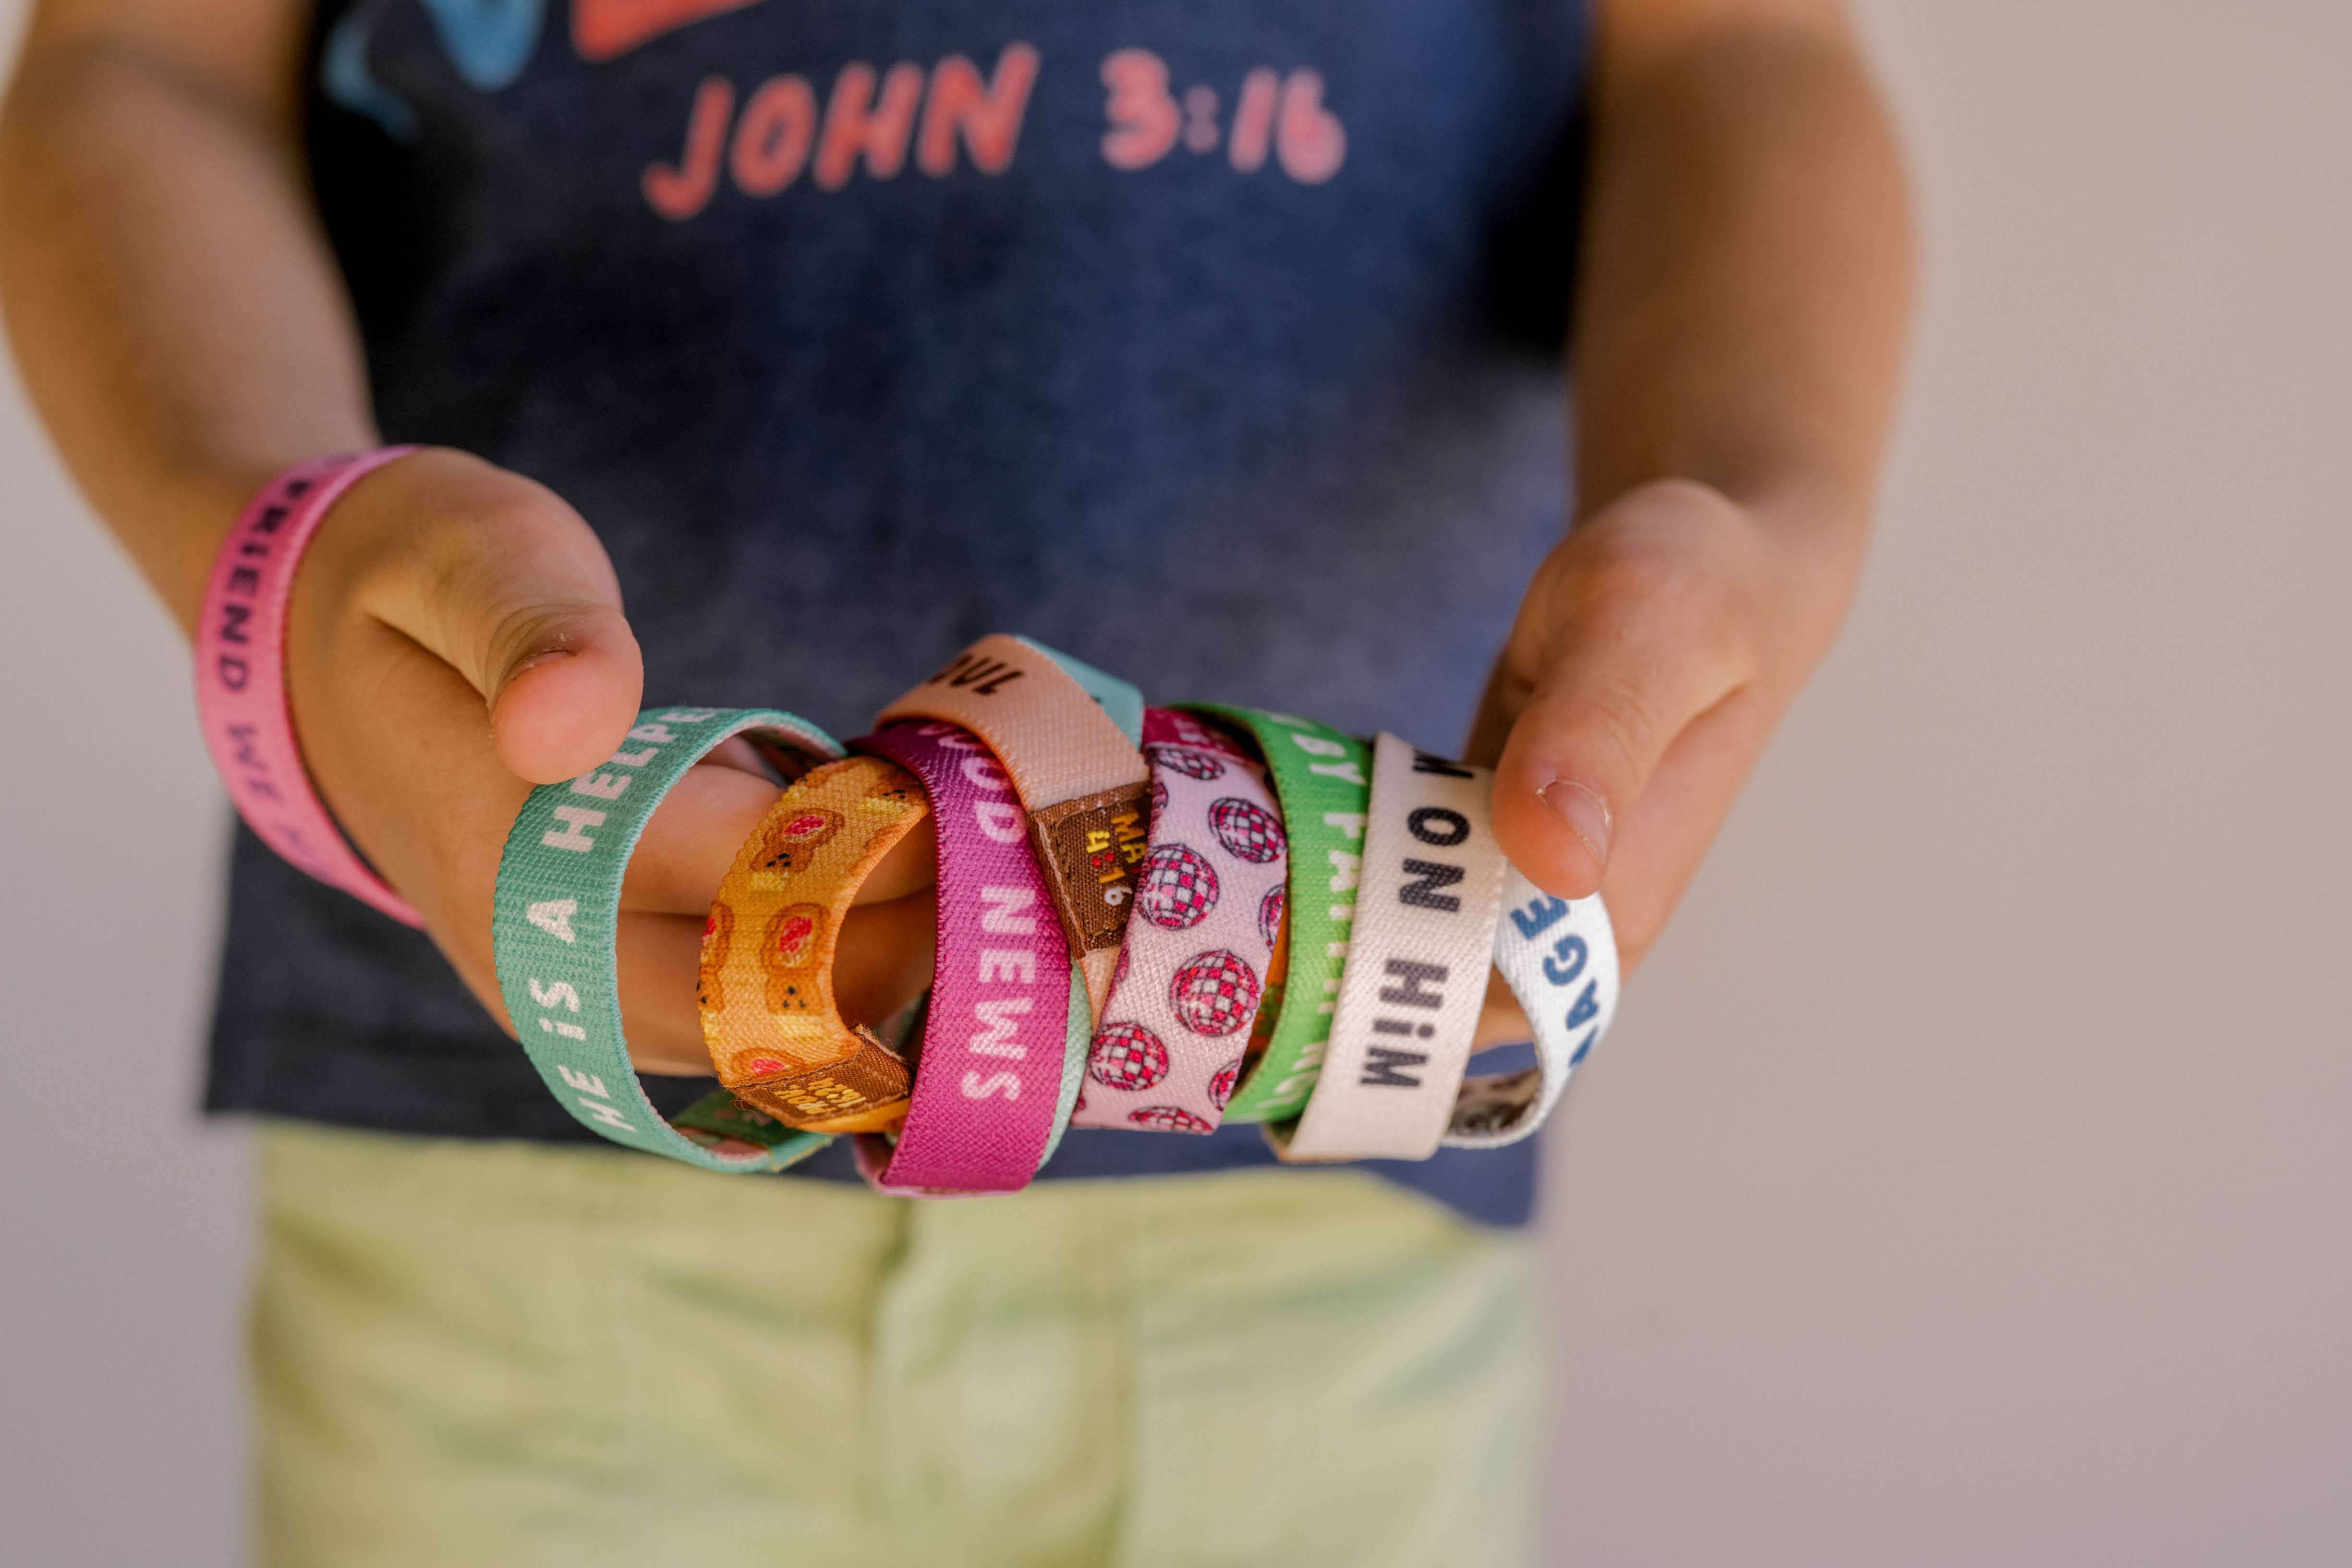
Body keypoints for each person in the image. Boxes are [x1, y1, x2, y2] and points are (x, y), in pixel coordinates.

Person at [0, 0, 1913, 1560]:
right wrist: (272, 548)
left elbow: (1736, 47)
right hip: (498, 1202)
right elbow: (141, 58)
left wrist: (1763, 510)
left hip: (1328, 1202)